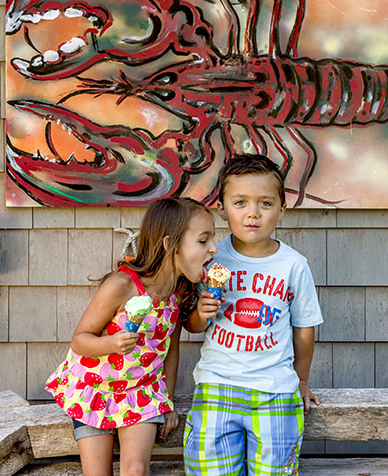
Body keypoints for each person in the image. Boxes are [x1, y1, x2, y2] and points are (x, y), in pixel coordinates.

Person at [46, 197, 219, 476]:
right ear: (169, 245)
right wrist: (111, 343)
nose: (213, 248)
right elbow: (80, 340)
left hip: (141, 392)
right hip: (94, 388)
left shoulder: (179, 292)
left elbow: (170, 350)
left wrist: (168, 400)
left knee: (136, 470)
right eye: (203, 241)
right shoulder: (122, 285)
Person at [183, 154, 324, 476]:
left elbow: (304, 329)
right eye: (240, 202)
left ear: (281, 210)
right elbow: (190, 325)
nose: (252, 214)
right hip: (217, 384)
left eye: (265, 203)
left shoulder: (293, 265)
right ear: (222, 208)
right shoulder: (210, 258)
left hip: (275, 389)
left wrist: (301, 381)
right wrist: (200, 314)